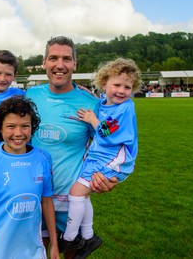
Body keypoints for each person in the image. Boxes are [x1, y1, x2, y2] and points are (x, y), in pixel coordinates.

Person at [25, 36, 118, 258]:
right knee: (39, 252)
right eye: (53, 58)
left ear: (75, 63)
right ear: (44, 62)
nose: (60, 65)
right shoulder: (30, 96)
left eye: (66, 59)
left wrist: (111, 177)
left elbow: (110, 146)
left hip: (71, 200)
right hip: (35, 194)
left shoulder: (90, 103)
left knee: (70, 254)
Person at [0, 95, 60, 259]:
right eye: (11, 126)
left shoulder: (43, 158)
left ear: (32, 127)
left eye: (25, 126)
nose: (18, 133)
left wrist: (54, 244)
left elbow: (47, 202)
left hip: (36, 253)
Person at [61, 58, 141, 257]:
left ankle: (69, 239)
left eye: (127, 87)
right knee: (83, 194)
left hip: (113, 159)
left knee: (76, 192)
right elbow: (102, 105)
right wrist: (91, 96)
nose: (121, 91)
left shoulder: (125, 107)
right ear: (104, 84)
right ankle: (88, 237)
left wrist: (92, 119)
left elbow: (107, 131)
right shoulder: (105, 103)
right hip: (98, 156)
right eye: (117, 85)